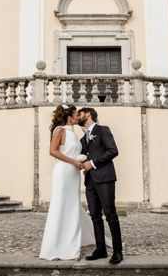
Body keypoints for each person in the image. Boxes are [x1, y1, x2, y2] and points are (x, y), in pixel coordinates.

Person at [39, 104, 108, 260]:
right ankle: (58, 246)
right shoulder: (60, 130)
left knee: (72, 206)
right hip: (63, 172)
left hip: (73, 174)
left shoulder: (75, 133)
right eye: (76, 114)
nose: (79, 116)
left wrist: (82, 160)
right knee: (61, 205)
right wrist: (73, 162)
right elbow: (53, 151)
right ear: (70, 117)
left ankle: (71, 242)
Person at [79, 107, 123, 265]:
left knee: (110, 214)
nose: (78, 116)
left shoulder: (103, 130)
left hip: (105, 179)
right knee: (95, 216)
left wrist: (92, 163)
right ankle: (100, 249)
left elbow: (113, 150)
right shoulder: (83, 138)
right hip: (90, 181)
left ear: (88, 114)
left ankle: (118, 251)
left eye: (80, 113)